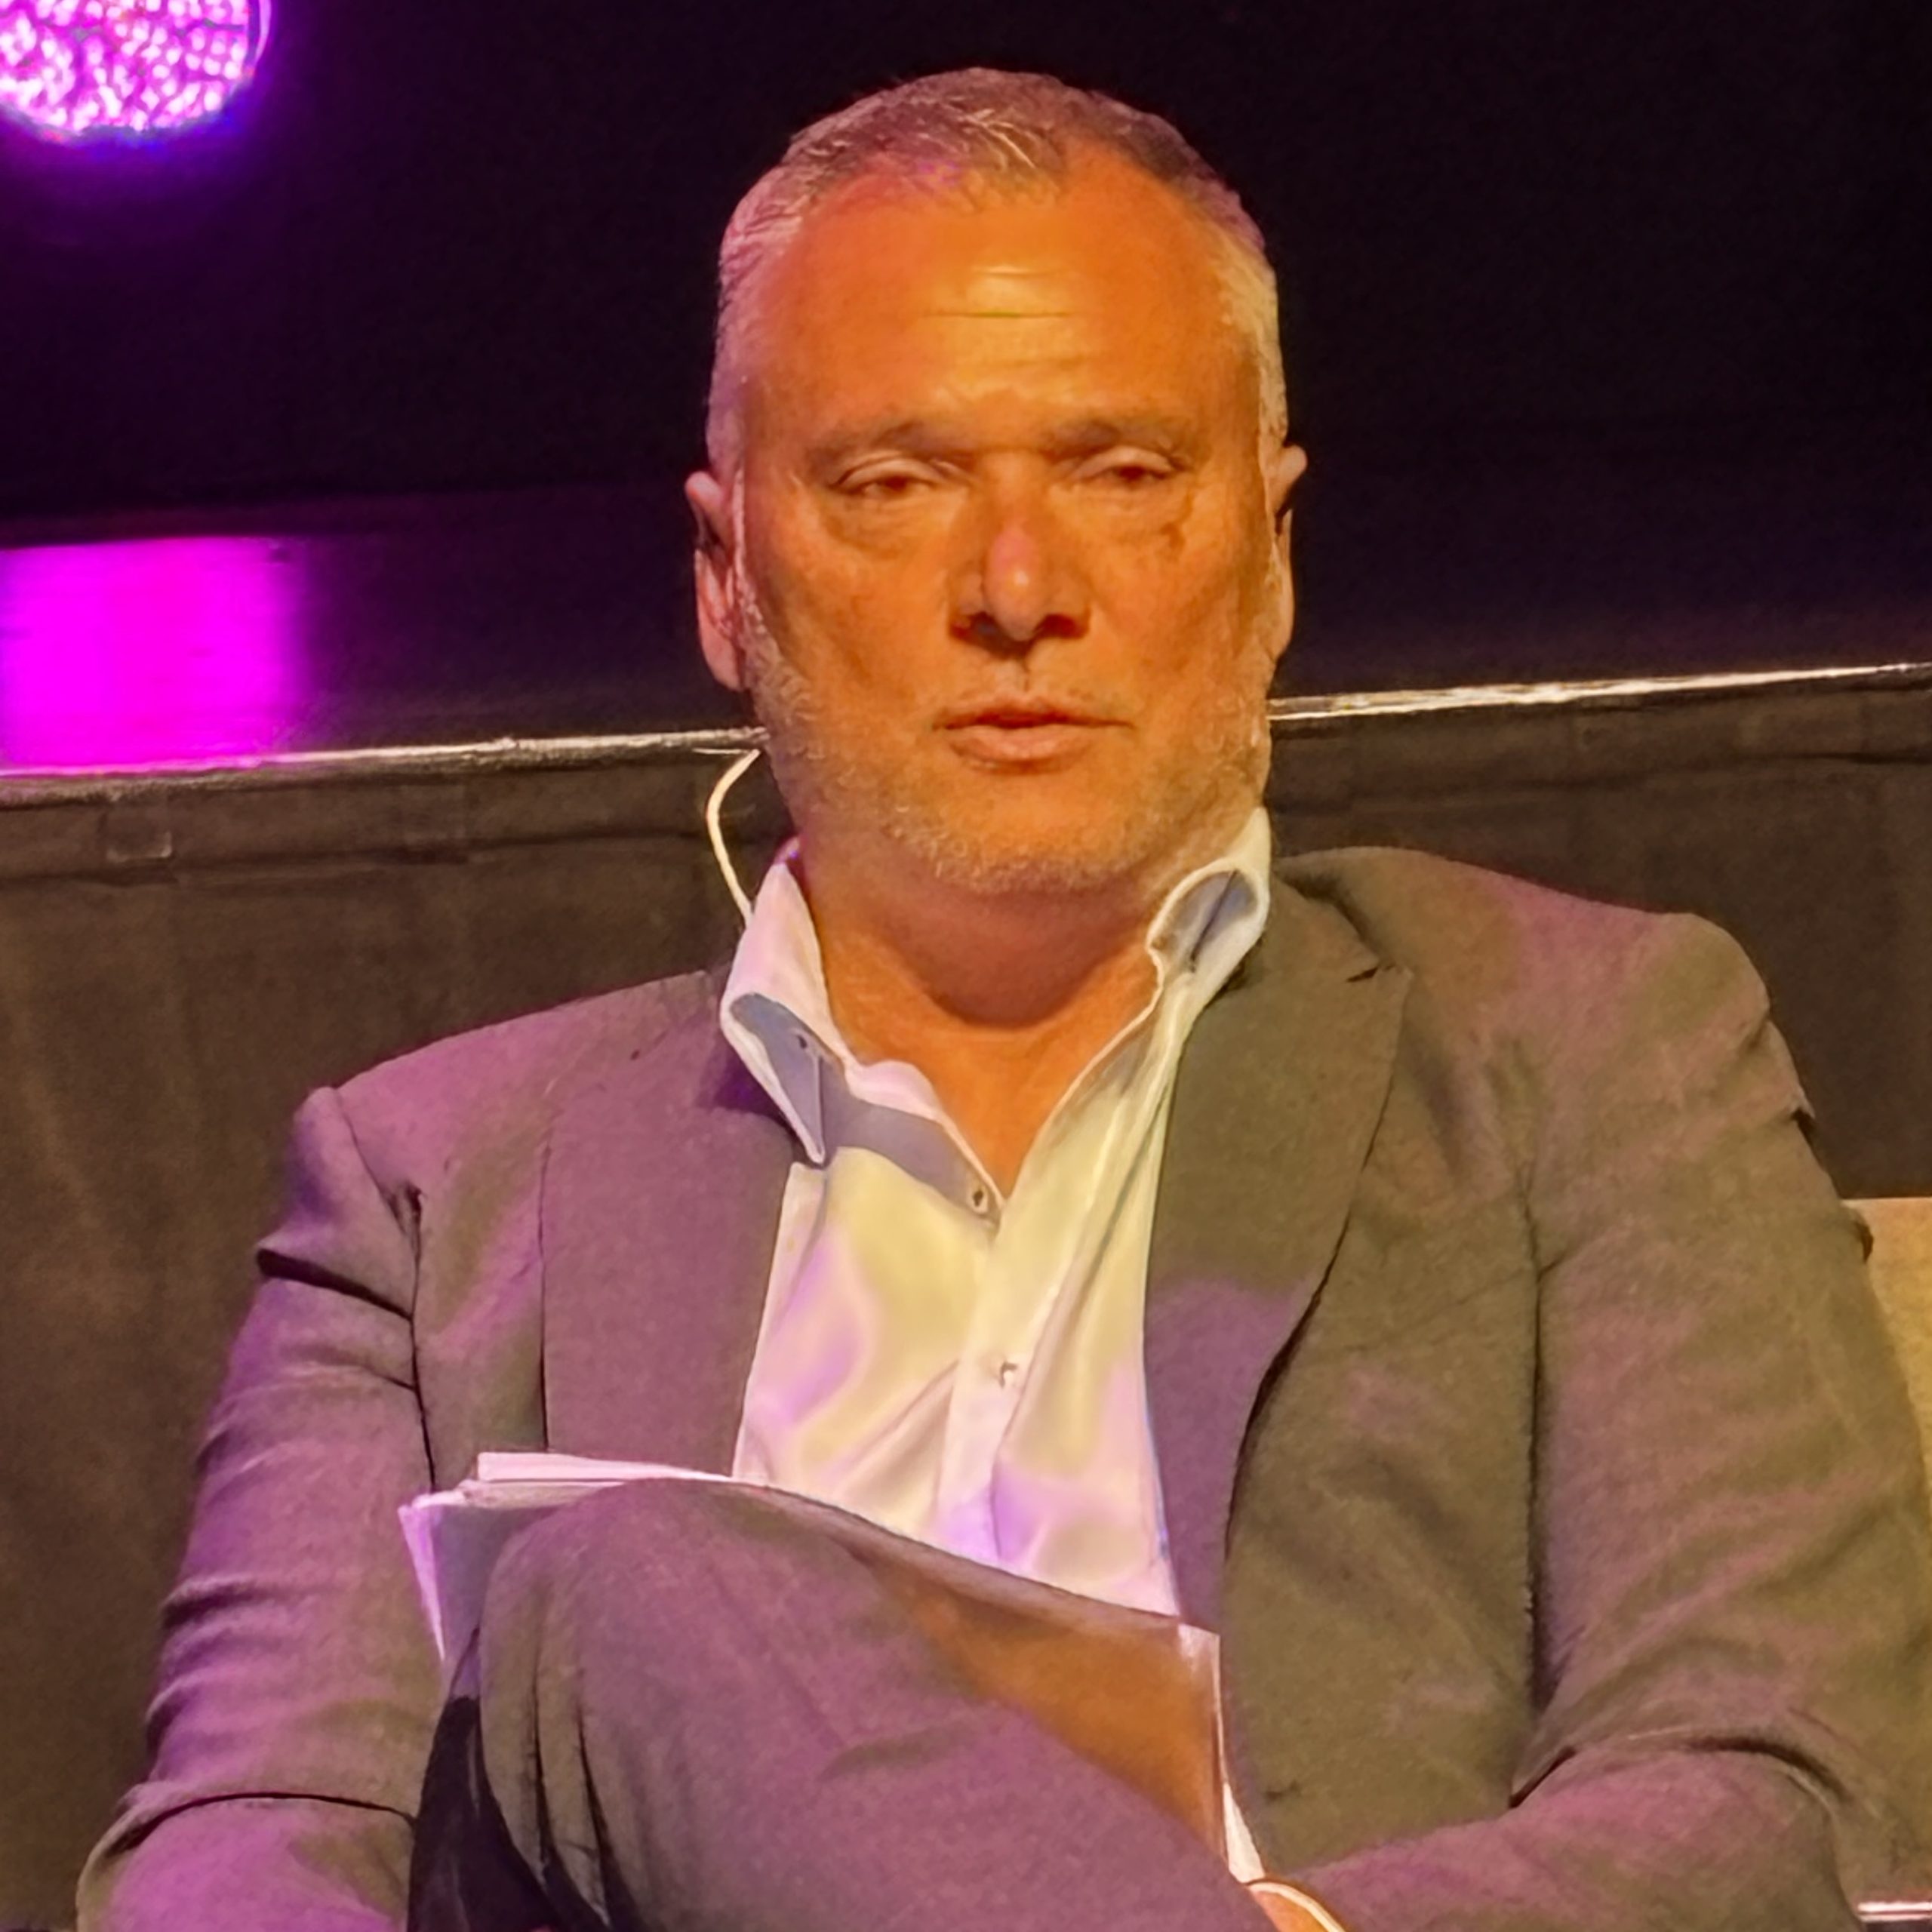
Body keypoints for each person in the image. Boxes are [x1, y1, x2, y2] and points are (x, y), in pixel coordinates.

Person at [79, 66, 1932, 1932]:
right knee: (624, 1588)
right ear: (725, 576)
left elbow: (1775, 1781)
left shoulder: (1585, 1053)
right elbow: (246, 1843)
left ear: (1268, 549)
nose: (1020, 586)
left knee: (613, 1577)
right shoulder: (433, 1187)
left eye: (1121, 474)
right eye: (895, 484)